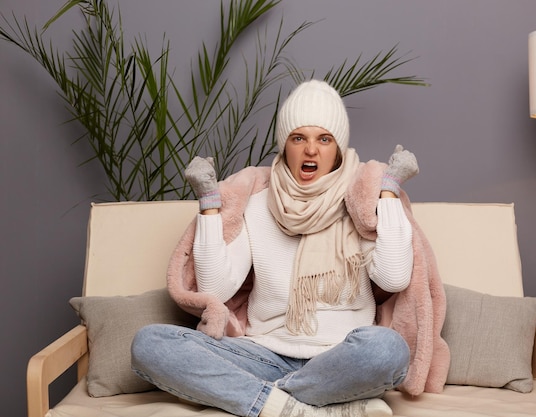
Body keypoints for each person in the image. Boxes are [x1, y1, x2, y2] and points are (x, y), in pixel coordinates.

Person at [131, 80, 420, 417]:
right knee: (149, 344)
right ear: (285, 146)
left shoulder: (359, 201)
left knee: (387, 349)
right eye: (299, 138)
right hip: (262, 356)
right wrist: (210, 205)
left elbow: (394, 277)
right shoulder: (256, 205)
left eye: (324, 139)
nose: (311, 150)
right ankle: (307, 405)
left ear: (338, 149)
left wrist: (387, 192)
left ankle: (263, 399)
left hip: (340, 358)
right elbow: (215, 289)